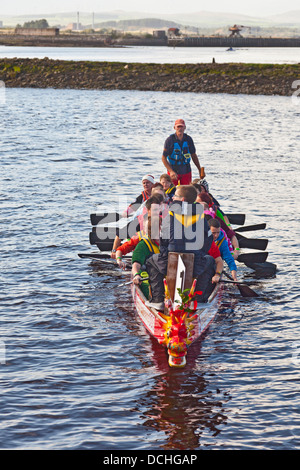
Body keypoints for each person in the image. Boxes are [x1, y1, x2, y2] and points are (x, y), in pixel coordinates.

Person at [145, 185, 216, 310]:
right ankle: (199, 300)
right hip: (194, 263)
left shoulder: (170, 215)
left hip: (171, 263)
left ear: (182, 200)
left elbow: (163, 242)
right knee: (210, 261)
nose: (172, 198)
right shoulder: (202, 217)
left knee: (151, 261)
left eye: (175, 196)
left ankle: (158, 300)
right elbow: (208, 241)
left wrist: (164, 255)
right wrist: (199, 254)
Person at [162, 119, 202, 186]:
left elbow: (193, 155)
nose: (180, 129)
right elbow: (163, 158)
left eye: (181, 127)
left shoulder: (188, 139)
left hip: (186, 170)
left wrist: (199, 169)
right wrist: (171, 171)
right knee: (172, 191)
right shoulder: (169, 140)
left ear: (185, 127)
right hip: (173, 170)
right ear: (174, 128)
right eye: (178, 127)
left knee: (186, 191)